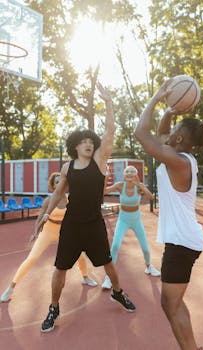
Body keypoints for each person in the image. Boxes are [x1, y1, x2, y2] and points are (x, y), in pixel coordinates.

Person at [39, 83, 135, 333]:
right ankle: (54, 308)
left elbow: (111, 131)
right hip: (71, 225)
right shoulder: (67, 168)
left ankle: (117, 292)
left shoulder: (99, 162)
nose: (88, 145)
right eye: (82, 142)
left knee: (109, 265)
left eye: (90, 141)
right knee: (60, 269)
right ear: (75, 147)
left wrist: (109, 103)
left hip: (94, 224)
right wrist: (45, 215)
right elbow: (57, 193)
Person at [135, 79, 203, 350]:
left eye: (175, 129)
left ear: (179, 139)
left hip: (182, 242)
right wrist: (169, 113)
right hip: (183, 239)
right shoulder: (179, 156)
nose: (168, 132)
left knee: (170, 303)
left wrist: (156, 99)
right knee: (173, 303)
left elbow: (141, 133)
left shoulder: (178, 161)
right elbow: (162, 133)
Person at [0, 172, 97, 303]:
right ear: (53, 185)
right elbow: (39, 218)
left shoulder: (71, 199)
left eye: (62, 181)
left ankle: (85, 277)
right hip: (48, 230)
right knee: (32, 258)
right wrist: (35, 232)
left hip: (65, 231)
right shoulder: (48, 200)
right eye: (57, 182)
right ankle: (11, 287)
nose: (60, 184)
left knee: (80, 255)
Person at [102, 165, 160, 290]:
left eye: (132, 171)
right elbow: (104, 192)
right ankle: (108, 278)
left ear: (135, 174)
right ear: (124, 174)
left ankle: (149, 266)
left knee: (145, 248)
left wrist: (140, 185)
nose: (129, 173)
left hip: (136, 220)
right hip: (123, 219)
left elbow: (150, 197)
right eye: (127, 171)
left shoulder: (138, 186)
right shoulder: (120, 185)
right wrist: (106, 177)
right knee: (115, 246)